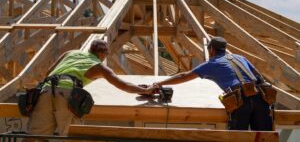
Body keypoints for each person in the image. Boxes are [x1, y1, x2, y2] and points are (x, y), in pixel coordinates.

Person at [25, 39, 155, 139]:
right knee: (70, 135)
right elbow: (123, 85)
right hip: (67, 93)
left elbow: (49, 72)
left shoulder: (70, 53)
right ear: (103, 54)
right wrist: (145, 90)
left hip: (46, 90)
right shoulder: (99, 67)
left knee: (35, 134)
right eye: (107, 53)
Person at [152, 36, 273, 131]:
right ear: (224, 49)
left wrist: (158, 84)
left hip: (240, 100)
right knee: (264, 137)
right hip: (260, 98)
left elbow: (183, 76)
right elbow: (258, 75)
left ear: (212, 50)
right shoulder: (240, 57)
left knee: (238, 137)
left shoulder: (212, 64)